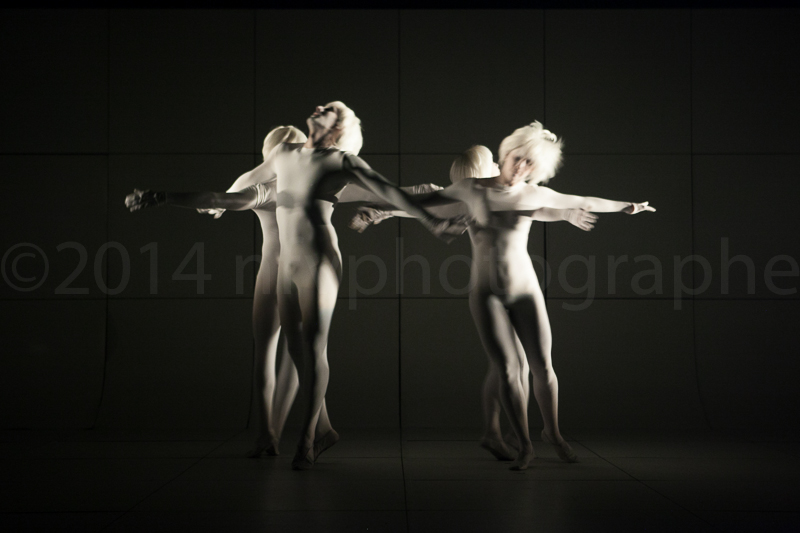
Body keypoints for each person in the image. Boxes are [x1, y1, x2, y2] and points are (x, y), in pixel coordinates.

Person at [126, 101, 462, 470]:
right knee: (297, 350)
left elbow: (390, 191)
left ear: (338, 127)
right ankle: (320, 431)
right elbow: (239, 186)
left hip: (319, 261)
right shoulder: (284, 155)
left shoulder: (342, 162)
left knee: (314, 349)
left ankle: (306, 440)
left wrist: (431, 220)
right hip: (286, 266)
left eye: (328, 108)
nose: (318, 107)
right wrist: (166, 197)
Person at [351, 123, 654, 470]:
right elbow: (419, 202)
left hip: (525, 290)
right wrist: (376, 208)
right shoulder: (470, 190)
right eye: (517, 159)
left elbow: (579, 201)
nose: (520, 168)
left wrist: (627, 206)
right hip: (486, 294)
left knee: (542, 367)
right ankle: (524, 445)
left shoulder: (532, 194)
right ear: (504, 154)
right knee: (509, 370)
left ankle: (553, 433)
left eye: (529, 164)